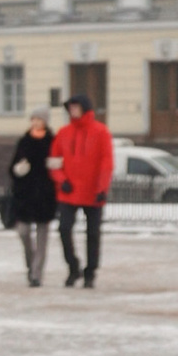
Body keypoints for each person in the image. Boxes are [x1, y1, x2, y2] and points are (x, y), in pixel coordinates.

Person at [51, 91, 115, 288]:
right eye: (70, 108)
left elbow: (106, 162)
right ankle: (73, 266)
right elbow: (54, 161)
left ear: (85, 109)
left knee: (93, 234)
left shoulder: (101, 132)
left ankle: (90, 272)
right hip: (69, 191)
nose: (72, 111)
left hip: (92, 192)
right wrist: (61, 179)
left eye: (76, 107)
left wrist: (102, 188)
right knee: (64, 229)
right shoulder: (64, 132)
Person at [4, 110, 59, 287]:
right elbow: (12, 168)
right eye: (33, 119)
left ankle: (36, 274)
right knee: (23, 232)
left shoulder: (52, 141)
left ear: (45, 122)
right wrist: (18, 170)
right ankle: (31, 263)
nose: (35, 123)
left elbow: (58, 164)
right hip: (25, 196)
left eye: (39, 119)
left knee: (43, 238)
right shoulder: (24, 141)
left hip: (45, 195)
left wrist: (56, 166)